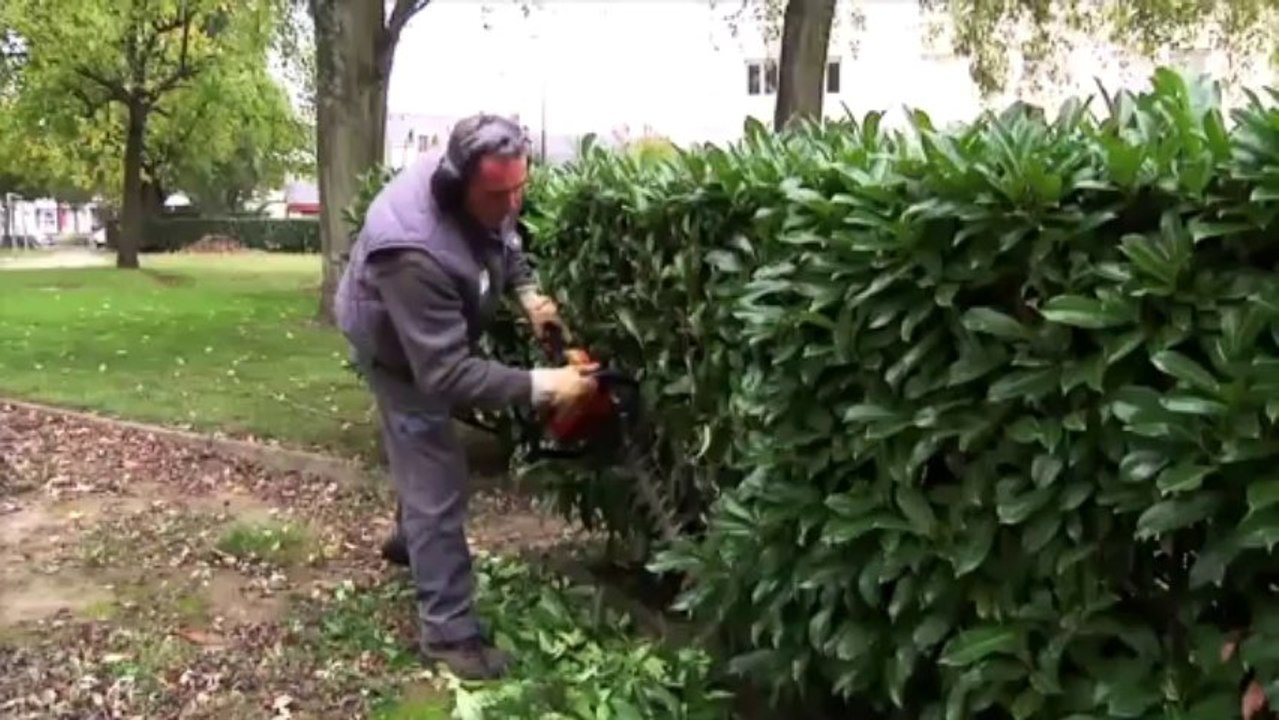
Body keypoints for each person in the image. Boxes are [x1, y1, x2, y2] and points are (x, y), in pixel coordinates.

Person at [334, 113, 598, 680]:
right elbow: (445, 375)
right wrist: (545, 384)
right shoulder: (411, 249)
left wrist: (529, 294)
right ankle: (450, 635)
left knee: (421, 457)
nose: (511, 204)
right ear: (460, 186)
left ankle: (412, 543)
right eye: (498, 195)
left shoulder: (488, 189)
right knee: (436, 475)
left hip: (430, 343)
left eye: (518, 189)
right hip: (395, 349)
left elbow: (503, 237)